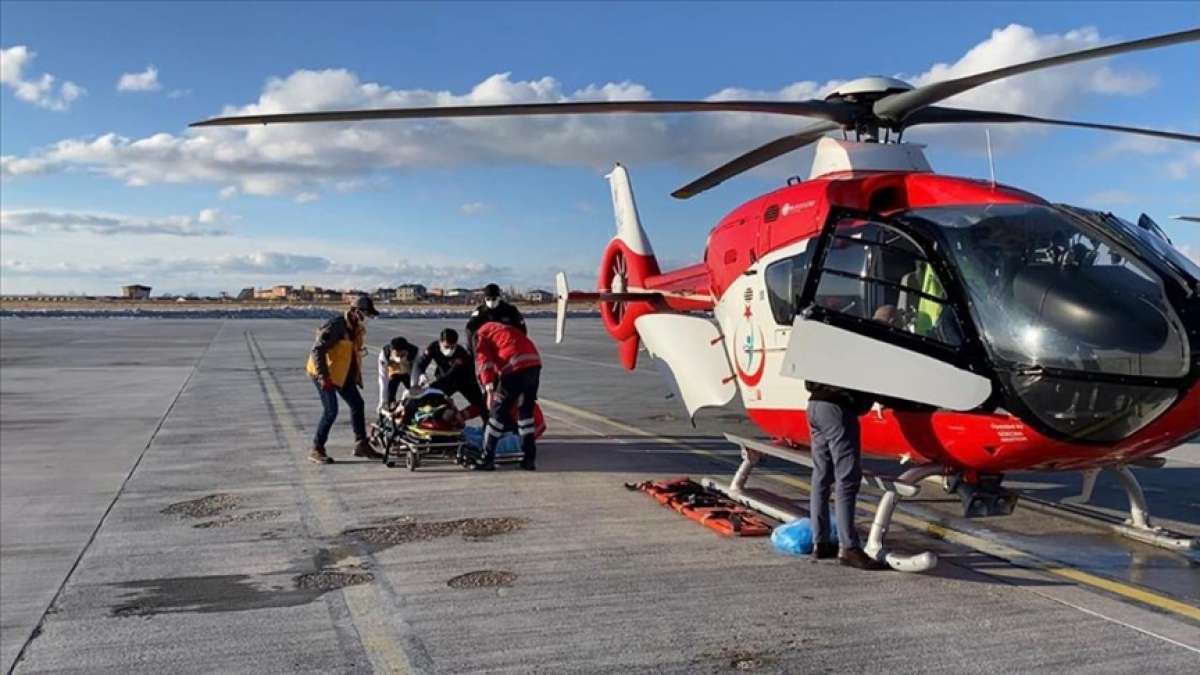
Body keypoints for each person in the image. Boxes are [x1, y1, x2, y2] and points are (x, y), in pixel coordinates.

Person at [805, 381, 885, 570]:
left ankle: (821, 543)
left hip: (815, 404)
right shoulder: (862, 353)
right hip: (838, 408)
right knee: (847, 479)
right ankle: (849, 547)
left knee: (821, 476)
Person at [305, 295, 383, 464]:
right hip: (323, 373)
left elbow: (352, 353)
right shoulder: (336, 326)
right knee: (331, 410)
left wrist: (354, 375)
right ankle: (317, 448)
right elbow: (317, 351)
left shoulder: (356, 329)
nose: (368, 318)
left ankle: (361, 445)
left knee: (357, 404)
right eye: (366, 314)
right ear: (356, 312)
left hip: (341, 372)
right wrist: (323, 376)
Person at [474, 321, 542, 471]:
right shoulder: (503, 329)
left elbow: (484, 362)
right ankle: (529, 459)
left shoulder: (481, 335)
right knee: (525, 416)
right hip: (534, 365)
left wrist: (489, 389)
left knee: (497, 415)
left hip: (515, 368)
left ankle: (487, 458)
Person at [408, 328, 487, 422]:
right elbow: (420, 364)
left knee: (481, 405)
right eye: (446, 347)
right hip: (444, 378)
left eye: (453, 347)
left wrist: (431, 387)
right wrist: (421, 374)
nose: (450, 350)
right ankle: (426, 420)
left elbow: (451, 375)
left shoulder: (462, 354)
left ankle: (480, 424)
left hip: (465, 381)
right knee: (430, 400)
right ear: (440, 342)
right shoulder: (434, 347)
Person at [465, 283, 526, 351]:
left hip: (506, 346)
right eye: (488, 299)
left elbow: (522, 329)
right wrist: (473, 349)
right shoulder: (480, 312)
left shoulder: (510, 311)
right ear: (485, 299)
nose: (491, 301)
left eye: (494, 299)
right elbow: (469, 329)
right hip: (486, 347)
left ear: (499, 298)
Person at [377, 336, 418, 412]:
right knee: (390, 389)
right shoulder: (384, 354)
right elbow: (383, 378)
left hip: (409, 373)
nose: (399, 358)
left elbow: (415, 373)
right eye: (396, 355)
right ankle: (391, 405)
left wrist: (412, 390)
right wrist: (382, 401)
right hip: (393, 373)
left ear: (406, 350)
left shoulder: (415, 352)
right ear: (391, 350)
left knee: (415, 394)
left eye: (402, 355)